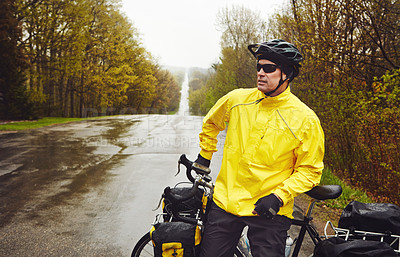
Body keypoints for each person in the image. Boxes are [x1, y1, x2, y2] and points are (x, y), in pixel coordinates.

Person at [195, 39, 325, 257]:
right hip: (227, 202)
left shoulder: (305, 119)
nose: (261, 73)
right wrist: (204, 156)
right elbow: (210, 123)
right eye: (259, 67)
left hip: (269, 209)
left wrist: (279, 196)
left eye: (269, 68)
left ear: (287, 73)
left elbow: (310, 170)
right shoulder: (236, 99)